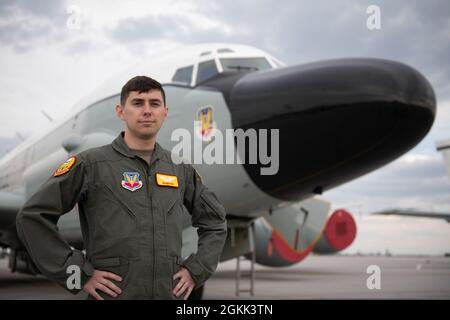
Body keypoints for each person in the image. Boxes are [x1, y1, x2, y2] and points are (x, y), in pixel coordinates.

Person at [16, 76, 227, 300]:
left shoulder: (180, 170)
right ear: (120, 111)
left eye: (154, 104)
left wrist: (196, 271)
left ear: (165, 112)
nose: (147, 111)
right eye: (137, 103)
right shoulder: (90, 165)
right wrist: (78, 275)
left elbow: (215, 221)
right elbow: (31, 217)